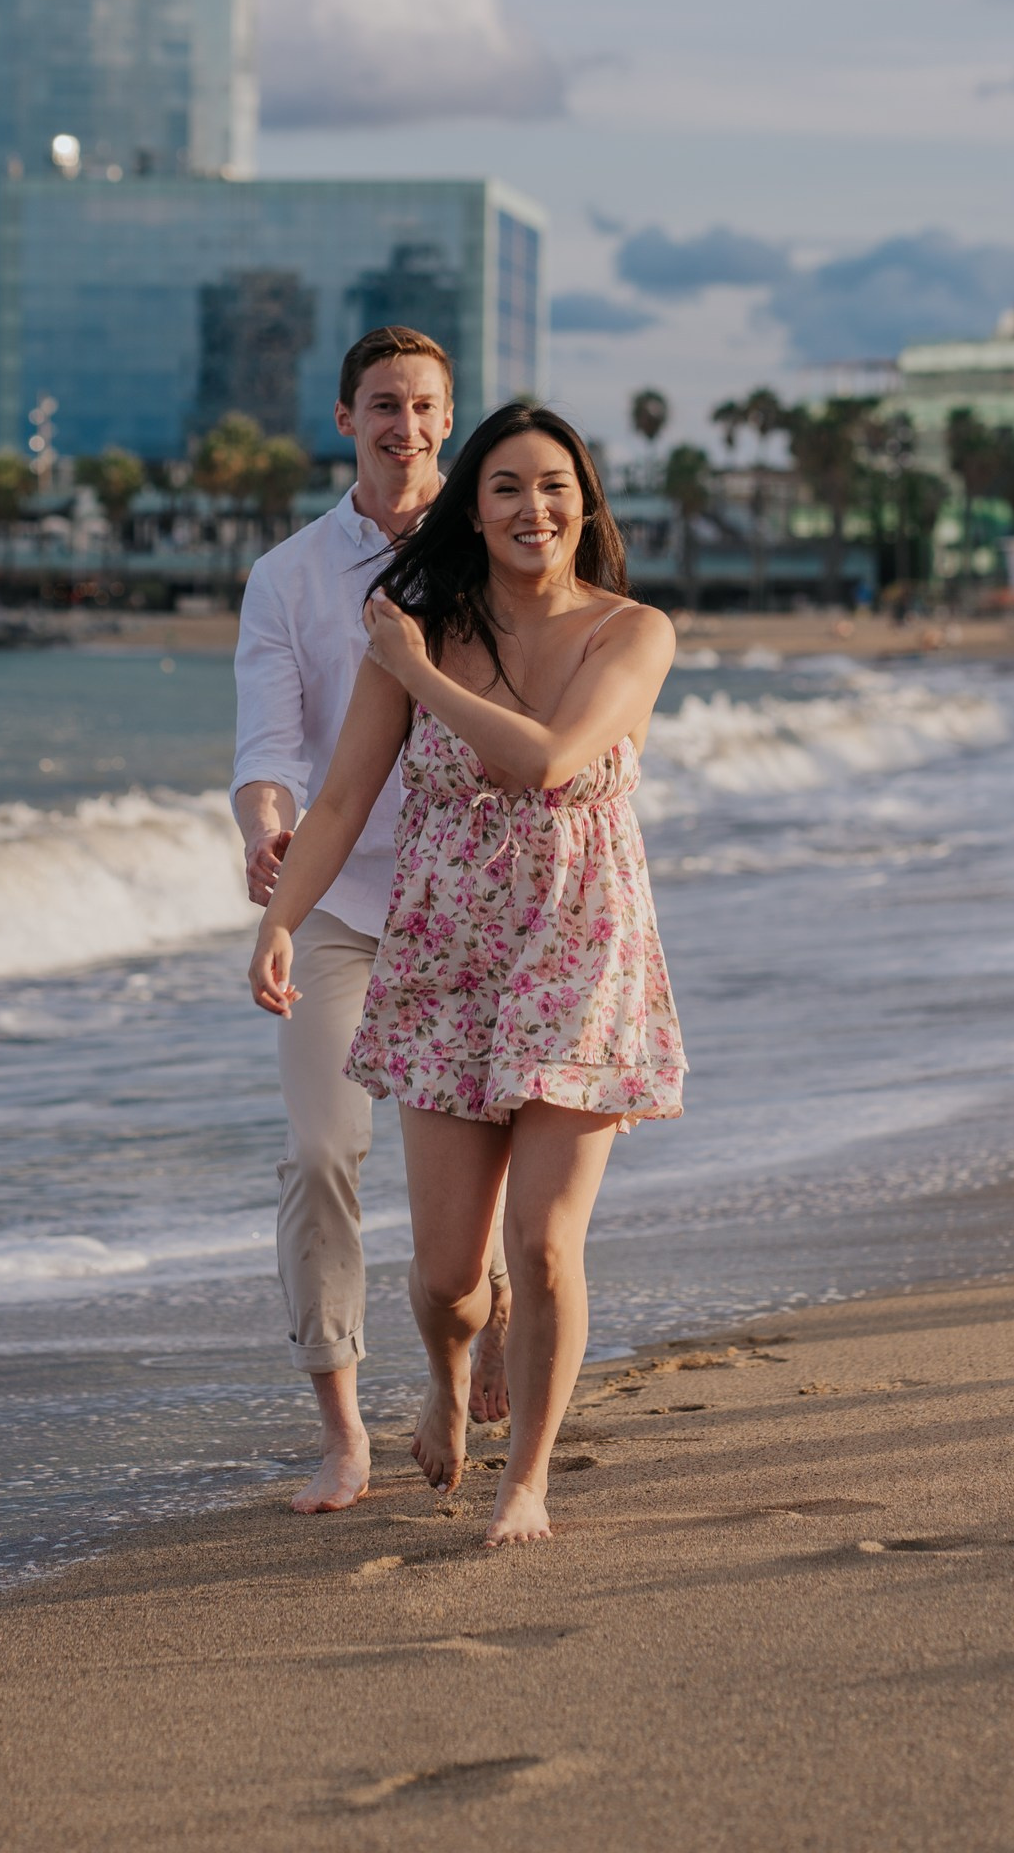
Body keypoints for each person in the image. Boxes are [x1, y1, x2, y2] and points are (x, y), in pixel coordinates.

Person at [248, 402, 685, 1547]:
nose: (533, 507)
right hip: (445, 956)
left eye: (554, 485)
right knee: (450, 1274)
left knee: (542, 1243)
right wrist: (281, 922)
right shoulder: (426, 628)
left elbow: (550, 761)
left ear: (584, 503)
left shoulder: (632, 632)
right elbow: (343, 800)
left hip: (579, 952)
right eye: (507, 487)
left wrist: (410, 668)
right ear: (473, 509)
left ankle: (525, 1480)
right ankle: (446, 1382)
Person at [232, 327, 512, 1516]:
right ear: (346, 417)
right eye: (384, 405)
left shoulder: (494, 542)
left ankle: (488, 1312)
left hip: (473, 891)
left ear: (450, 417)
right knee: (319, 1154)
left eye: (426, 405)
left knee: (486, 1147)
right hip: (340, 897)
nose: (407, 426)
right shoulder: (288, 575)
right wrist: (266, 830)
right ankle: (343, 1430)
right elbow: (270, 748)